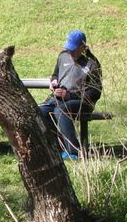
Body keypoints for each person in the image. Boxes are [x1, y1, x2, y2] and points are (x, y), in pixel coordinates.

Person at [39, 29, 103, 160]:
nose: (71, 52)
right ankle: (57, 147)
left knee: (61, 110)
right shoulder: (63, 56)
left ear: (83, 47)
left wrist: (68, 96)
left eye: (74, 49)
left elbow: (95, 92)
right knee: (41, 111)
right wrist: (54, 82)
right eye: (69, 49)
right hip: (59, 98)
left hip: (82, 103)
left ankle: (73, 151)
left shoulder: (92, 64)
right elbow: (56, 74)